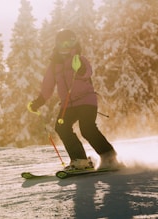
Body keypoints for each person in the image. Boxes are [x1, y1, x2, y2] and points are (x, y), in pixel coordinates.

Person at [28, 29, 120, 171]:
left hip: (86, 100)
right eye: (62, 44)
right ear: (57, 45)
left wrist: (81, 69)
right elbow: (47, 86)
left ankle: (109, 157)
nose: (66, 47)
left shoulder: (79, 59)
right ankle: (80, 160)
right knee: (61, 127)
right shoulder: (54, 66)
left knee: (87, 129)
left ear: (74, 43)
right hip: (68, 104)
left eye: (69, 43)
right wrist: (39, 102)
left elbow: (88, 72)